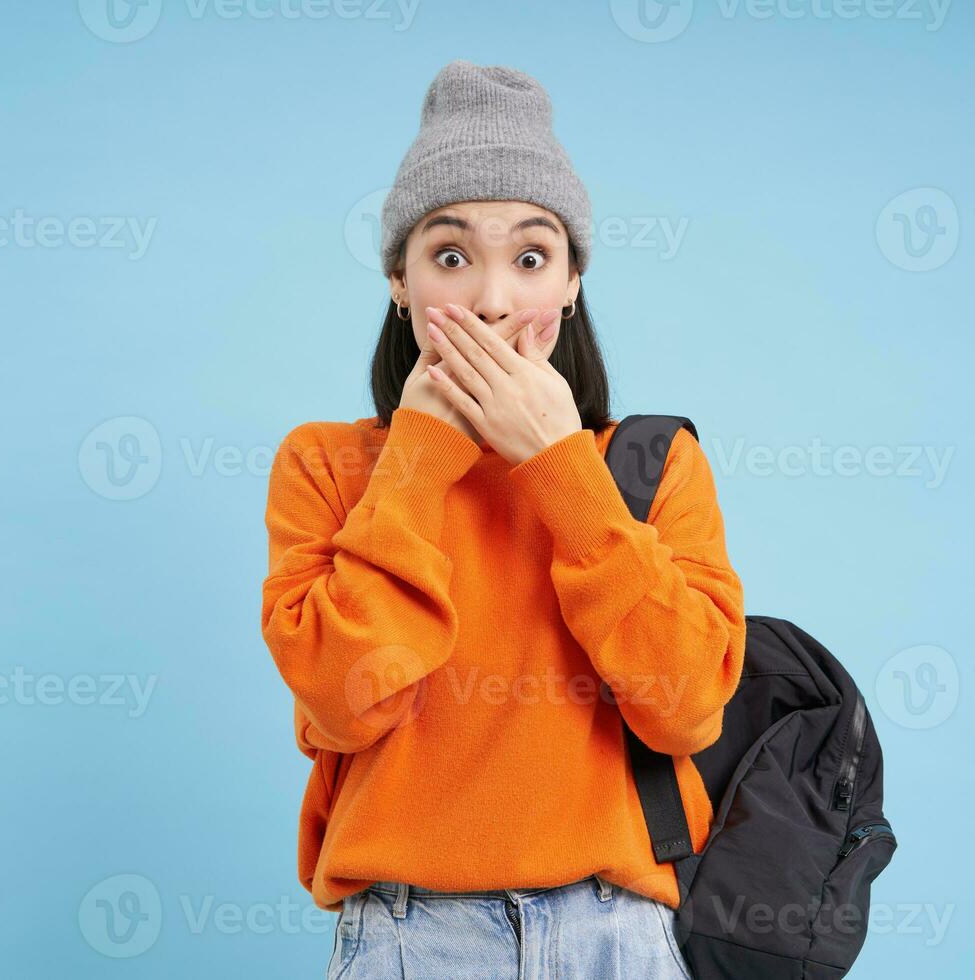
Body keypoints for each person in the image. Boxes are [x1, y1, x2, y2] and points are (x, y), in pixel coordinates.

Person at [261, 59, 745, 980]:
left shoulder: (649, 467)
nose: (490, 300)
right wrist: (418, 462)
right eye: (450, 256)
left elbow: (686, 709)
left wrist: (560, 469)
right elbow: (340, 697)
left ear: (571, 286)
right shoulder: (326, 465)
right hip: (409, 936)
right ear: (398, 280)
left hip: (615, 934)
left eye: (531, 257)